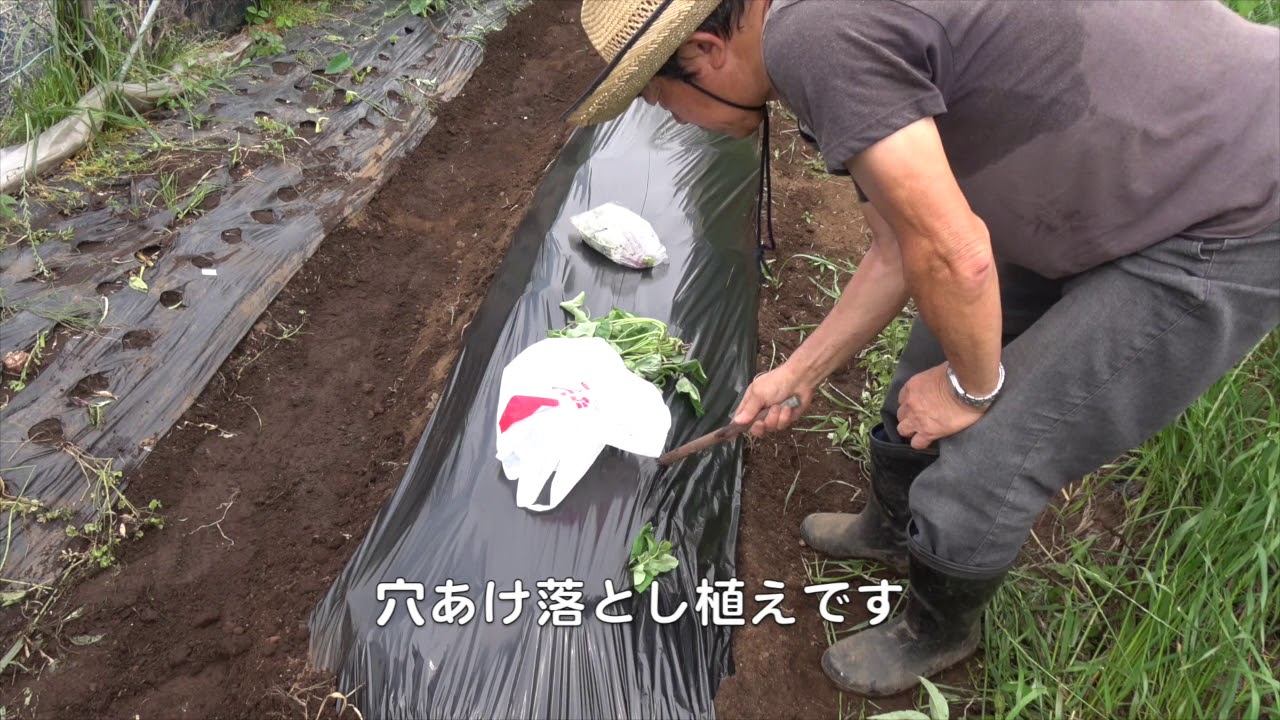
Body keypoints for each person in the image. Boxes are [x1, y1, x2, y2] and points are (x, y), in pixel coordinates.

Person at [564, 0, 1280, 698]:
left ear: (704, 54)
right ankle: (893, 526)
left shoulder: (815, 41)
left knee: (997, 443)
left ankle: (938, 628)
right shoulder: (809, 32)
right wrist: (799, 370)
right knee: (929, 363)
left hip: (1232, 194)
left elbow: (959, 254)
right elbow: (898, 250)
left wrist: (972, 390)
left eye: (664, 103)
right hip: (1117, 159)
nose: (678, 122)